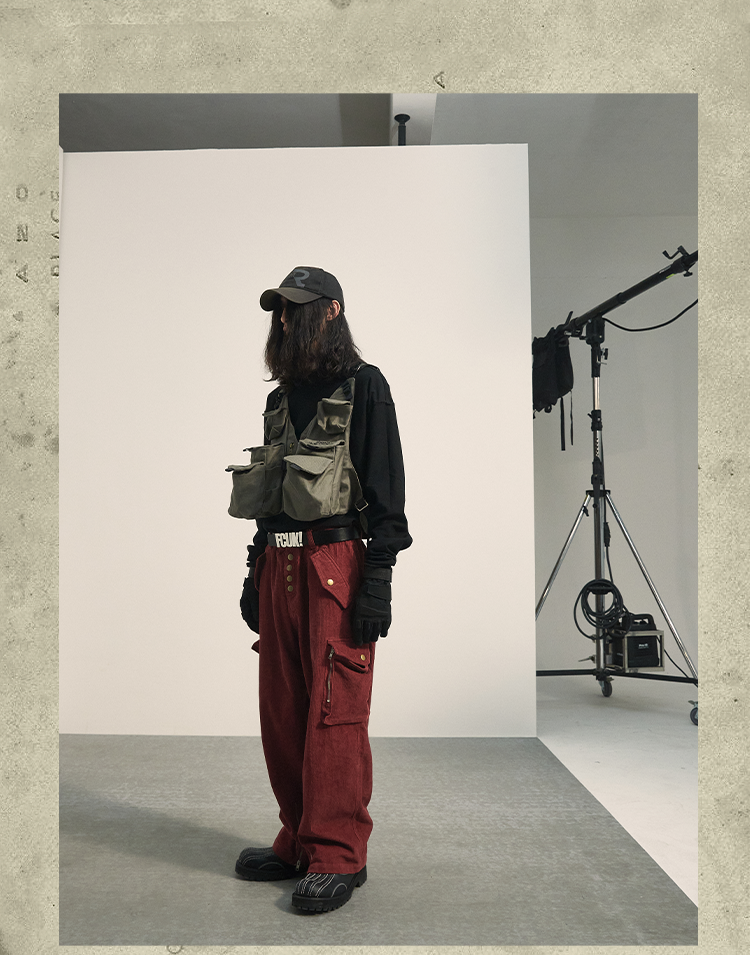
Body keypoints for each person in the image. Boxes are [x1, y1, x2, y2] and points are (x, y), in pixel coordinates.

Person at [227, 266, 412, 913]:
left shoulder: (366, 385)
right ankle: (299, 838)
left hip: (336, 564)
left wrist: (377, 581)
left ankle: (338, 852)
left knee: (335, 710)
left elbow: (388, 492)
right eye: (279, 311)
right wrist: (253, 570)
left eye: (296, 309)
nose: (284, 320)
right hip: (278, 565)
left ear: (331, 311)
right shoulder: (281, 399)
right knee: (282, 709)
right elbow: (271, 500)